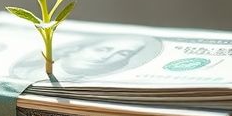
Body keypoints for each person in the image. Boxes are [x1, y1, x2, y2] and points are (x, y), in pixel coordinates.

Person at [10, 34, 161, 81]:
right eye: (103, 48)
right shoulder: (23, 73)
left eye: (123, 53)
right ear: (75, 49)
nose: (107, 56)